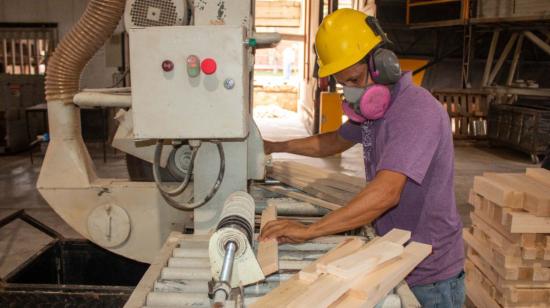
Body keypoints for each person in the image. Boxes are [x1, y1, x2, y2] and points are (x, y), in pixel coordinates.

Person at [259, 9, 465, 307]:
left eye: (354, 79)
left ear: (382, 64)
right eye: (344, 84)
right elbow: (331, 142)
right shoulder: (373, 112)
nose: (351, 92)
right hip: (391, 256)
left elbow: (386, 193)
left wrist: (310, 231)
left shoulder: (416, 111)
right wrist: (274, 146)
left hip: (429, 276)